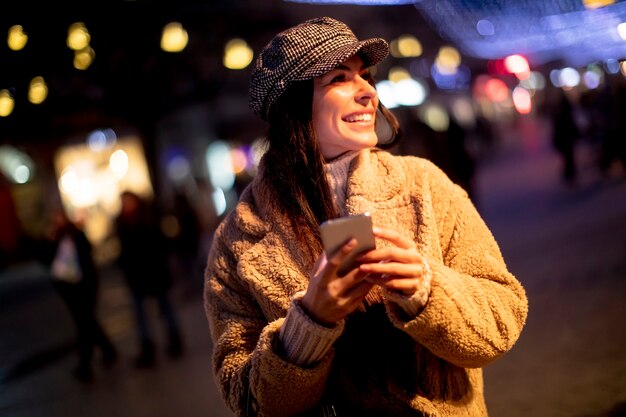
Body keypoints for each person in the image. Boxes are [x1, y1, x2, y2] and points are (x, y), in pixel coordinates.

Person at [203, 17, 528, 417]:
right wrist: (308, 327)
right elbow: (247, 400)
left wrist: (427, 289)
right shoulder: (237, 239)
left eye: (366, 76)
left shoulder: (423, 184)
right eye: (341, 78)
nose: (368, 92)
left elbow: (501, 323)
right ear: (294, 105)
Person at [44, 210, 117, 382]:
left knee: (85, 323)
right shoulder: (55, 239)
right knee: (87, 322)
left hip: (85, 285)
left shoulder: (77, 235)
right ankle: (107, 351)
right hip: (69, 289)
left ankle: (86, 364)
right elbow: (46, 260)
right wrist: (48, 241)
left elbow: (88, 253)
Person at [114, 191, 184, 368]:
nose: (126, 204)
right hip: (137, 276)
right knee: (140, 313)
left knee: (165, 307)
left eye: (128, 200)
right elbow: (124, 251)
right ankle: (147, 347)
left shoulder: (149, 218)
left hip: (155, 272)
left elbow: (161, 243)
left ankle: (175, 340)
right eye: (124, 201)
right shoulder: (122, 222)